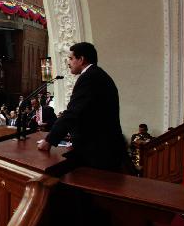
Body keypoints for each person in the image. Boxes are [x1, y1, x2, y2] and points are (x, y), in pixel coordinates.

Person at [37, 42, 125, 173]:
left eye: (71, 58)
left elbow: (73, 113)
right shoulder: (97, 75)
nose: (68, 63)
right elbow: (88, 113)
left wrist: (49, 140)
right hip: (99, 147)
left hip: (98, 152)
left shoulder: (89, 77)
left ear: (81, 59)